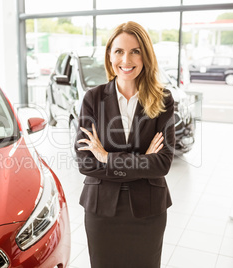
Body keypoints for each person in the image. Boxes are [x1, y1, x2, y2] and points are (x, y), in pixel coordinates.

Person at [75, 21, 175, 268]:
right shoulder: (93, 98)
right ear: (110, 56)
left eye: (135, 51)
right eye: (119, 51)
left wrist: (107, 157)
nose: (126, 59)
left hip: (148, 210)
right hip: (101, 211)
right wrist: (142, 162)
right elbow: (85, 162)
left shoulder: (163, 99)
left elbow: (162, 163)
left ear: (145, 56)